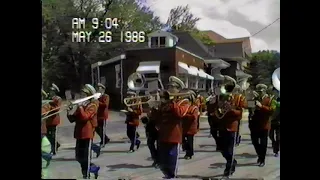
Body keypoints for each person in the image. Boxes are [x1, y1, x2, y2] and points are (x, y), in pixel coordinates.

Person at [155, 76, 189, 179]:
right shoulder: (164, 102)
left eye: (172, 86)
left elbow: (180, 113)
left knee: (171, 158)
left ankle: (172, 176)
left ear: (178, 89)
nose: (169, 88)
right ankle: (167, 174)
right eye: (168, 86)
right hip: (163, 134)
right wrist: (154, 107)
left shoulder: (183, 101)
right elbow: (158, 118)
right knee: (162, 159)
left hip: (173, 135)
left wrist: (171, 102)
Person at [67, 84, 100, 179]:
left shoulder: (93, 105)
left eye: (84, 94)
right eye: (81, 94)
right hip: (79, 134)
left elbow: (85, 117)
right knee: (78, 157)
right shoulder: (82, 106)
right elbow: (72, 119)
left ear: (88, 95)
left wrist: (80, 107)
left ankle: (87, 175)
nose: (82, 96)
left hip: (87, 134)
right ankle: (93, 169)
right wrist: (69, 112)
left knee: (86, 157)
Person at [215, 76, 246, 177]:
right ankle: (232, 161)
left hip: (232, 127)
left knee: (230, 149)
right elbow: (215, 110)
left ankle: (228, 170)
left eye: (227, 84)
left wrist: (231, 109)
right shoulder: (221, 97)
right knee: (223, 150)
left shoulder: (238, 98)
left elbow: (240, 113)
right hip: (222, 126)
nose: (224, 86)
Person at [249, 84, 276, 167]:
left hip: (264, 125)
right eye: (258, 91)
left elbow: (271, 111)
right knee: (255, 142)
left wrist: (262, 106)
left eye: (261, 91)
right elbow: (249, 108)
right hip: (254, 124)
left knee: (263, 144)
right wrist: (251, 102)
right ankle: (259, 155)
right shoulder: (254, 99)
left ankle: (262, 159)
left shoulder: (270, 100)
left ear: (264, 91)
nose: (259, 93)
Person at [182, 90, 199, 160]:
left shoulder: (194, 108)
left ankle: (189, 153)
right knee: (183, 140)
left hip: (191, 128)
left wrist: (184, 116)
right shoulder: (184, 107)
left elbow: (194, 117)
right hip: (184, 127)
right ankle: (187, 150)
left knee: (189, 141)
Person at [46, 83, 62, 155]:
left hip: (54, 119)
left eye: (52, 91)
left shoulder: (58, 99)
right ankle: (55, 145)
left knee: (53, 135)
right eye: (50, 91)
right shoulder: (48, 98)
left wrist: (50, 107)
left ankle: (54, 149)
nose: (51, 92)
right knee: (47, 135)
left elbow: (57, 109)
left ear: (55, 92)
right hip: (48, 120)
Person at [206, 86, 222, 151]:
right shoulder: (211, 98)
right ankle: (218, 144)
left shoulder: (221, 98)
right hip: (212, 118)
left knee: (221, 133)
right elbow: (208, 105)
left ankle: (220, 145)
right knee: (213, 132)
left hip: (220, 118)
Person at [42, 90, 53, 179]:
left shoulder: (45, 105)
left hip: (41, 131)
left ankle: (47, 157)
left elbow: (44, 112)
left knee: (44, 150)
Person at [96, 83, 110, 147]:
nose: (98, 90)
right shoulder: (97, 96)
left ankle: (103, 142)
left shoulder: (106, 96)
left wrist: (97, 102)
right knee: (97, 128)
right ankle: (105, 138)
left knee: (102, 129)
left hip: (103, 115)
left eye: (99, 89)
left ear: (103, 89)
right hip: (97, 115)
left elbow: (105, 105)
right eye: (98, 89)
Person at [269, 89, 280, 157]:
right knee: (271, 136)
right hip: (271, 122)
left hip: (279, 122)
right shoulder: (270, 100)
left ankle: (276, 151)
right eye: (274, 92)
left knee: (278, 137)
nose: (275, 93)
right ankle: (274, 145)